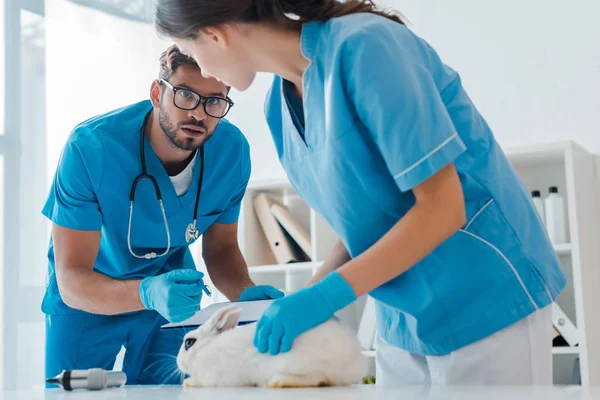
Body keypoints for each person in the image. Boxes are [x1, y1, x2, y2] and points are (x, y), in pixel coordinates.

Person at [154, 0, 566, 386]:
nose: (203, 67)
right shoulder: (278, 108)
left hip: (482, 294)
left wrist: (328, 294)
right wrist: (308, 296)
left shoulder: (366, 47)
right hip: (400, 315)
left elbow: (443, 207)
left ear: (214, 34)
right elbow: (363, 226)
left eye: (191, 47)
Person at [42, 44, 283, 385]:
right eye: (186, 95)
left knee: (169, 393)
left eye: (215, 101)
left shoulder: (232, 153)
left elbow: (222, 249)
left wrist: (244, 293)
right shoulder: (91, 148)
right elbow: (71, 278)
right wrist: (145, 292)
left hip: (171, 299)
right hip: (89, 297)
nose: (198, 113)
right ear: (157, 93)